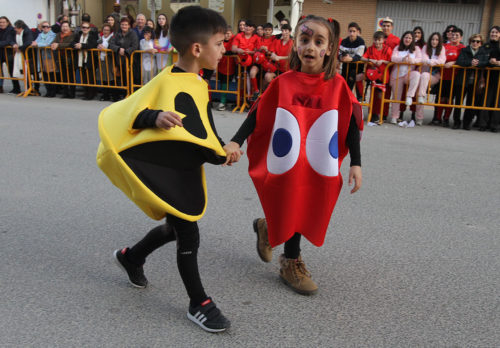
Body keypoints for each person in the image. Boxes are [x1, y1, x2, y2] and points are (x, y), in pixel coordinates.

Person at [99, 5, 234, 333]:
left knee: (177, 226)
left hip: (181, 169)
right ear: (198, 48)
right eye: (219, 43)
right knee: (188, 229)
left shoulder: (198, 83)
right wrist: (155, 117)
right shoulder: (169, 81)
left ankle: (131, 258)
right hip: (162, 168)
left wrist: (222, 148)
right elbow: (132, 112)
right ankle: (199, 303)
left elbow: (205, 128)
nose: (224, 49)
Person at [223, 15, 363, 296]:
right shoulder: (283, 82)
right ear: (296, 45)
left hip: (317, 161)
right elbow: (258, 114)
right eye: (305, 40)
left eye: (318, 41)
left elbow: (349, 125)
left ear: (330, 48)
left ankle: (268, 227)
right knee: (293, 200)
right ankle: (291, 260)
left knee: (310, 200)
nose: (311, 47)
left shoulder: (337, 86)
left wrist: (356, 164)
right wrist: (236, 141)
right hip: (288, 160)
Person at [452, 33, 488, 130]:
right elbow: (460, 61)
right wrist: (470, 63)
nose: (475, 43)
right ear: (470, 42)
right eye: (473, 41)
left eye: (478, 41)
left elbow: (486, 62)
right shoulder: (464, 50)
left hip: (475, 82)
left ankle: (467, 123)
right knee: (458, 102)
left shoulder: (483, 52)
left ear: (481, 43)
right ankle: (456, 122)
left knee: (470, 103)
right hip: (462, 80)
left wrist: (478, 63)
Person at [389, 31, 421, 125]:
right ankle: (394, 116)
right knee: (396, 97)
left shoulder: (416, 49)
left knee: (417, 75)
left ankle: (409, 96)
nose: (407, 39)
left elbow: (420, 59)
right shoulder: (397, 48)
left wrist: (412, 60)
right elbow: (393, 58)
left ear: (412, 40)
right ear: (403, 38)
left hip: (408, 74)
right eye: (406, 37)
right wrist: (402, 59)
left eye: (410, 38)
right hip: (397, 75)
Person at [435, 27, 465, 127]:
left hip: (454, 78)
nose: (454, 37)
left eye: (457, 36)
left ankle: (446, 118)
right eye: (453, 35)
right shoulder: (444, 46)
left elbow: (463, 60)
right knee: (441, 98)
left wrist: (454, 62)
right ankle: (438, 118)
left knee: (449, 99)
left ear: (461, 37)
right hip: (442, 76)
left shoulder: (462, 48)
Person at [361, 31, 392, 122]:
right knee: (373, 95)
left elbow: (391, 61)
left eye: (379, 40)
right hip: (372, 76)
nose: (377, 42)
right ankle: (372, 114)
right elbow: (362, 58)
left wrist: (382, 61)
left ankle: (379, 114)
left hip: (383, 76)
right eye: (375, 40)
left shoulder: (387, 49)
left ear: (383, 40)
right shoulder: (370, 49)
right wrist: (371, 60)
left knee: (380, 96)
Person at [416, 32, 446, 125]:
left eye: (436, 40)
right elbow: (423, 59)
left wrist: (431, 62)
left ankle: (422, 96)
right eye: (433, 39)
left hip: (434, 75)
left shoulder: (442, 48)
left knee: (425, 77)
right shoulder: (425, 47)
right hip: (422, 74)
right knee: (419, 94)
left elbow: (442, 60)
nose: (434, 41)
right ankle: (419, 118)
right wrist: (432, 61)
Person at [109, 17, 139, 100]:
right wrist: (118, 49)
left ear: (129, 25)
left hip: (130, 60)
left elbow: (135, 46)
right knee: (121, 78)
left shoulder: (133, 34)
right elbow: (111, 44)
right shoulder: (117, 33)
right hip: (119, 60)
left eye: (126, 25)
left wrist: (126, 51)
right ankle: (123, 94)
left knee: (129, 78)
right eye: (122, 24)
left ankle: (130, 95)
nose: (124, 26)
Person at [478, 26, 500, 132]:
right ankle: (483, 123)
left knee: (497, 102)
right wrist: (489, 62)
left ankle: (494, 125)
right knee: (486, 100)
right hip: (488, 78)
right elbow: (480, 59)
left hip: (499, 79)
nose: (494, 34)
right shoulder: (485, 46)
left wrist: (498, 63)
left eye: (496, 32)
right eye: (492, 32)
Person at [231, 20, 259, 99]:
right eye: (246, 26)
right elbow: (233, 48)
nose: (247, 28)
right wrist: (238, 50)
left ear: (253, 29)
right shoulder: (239, 36)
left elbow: (258, 51)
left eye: (250, 26)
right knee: (241, 82)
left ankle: (253, 96)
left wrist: (250, 52)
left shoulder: (256, 37)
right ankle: (240, 100)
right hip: (240, 62)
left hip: (252, 62)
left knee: (251, 77)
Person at [71, 20, 98, 100]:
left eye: (87, 27)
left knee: (90, 77)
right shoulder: (78, 35)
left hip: (90, 60)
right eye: (83, 27)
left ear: (89, 29)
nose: (85, 29)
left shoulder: (93, 36)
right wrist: (76, 45)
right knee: (84, 77)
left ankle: (91, 94)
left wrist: (82, 46)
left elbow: (92, 44)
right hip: (80, 59)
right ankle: (86, 93)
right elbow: (72, 43)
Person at [339, 22, 365, 97]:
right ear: (348, 31)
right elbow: (339, 53)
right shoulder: (344, 41)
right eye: (350, 31)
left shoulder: (361, 41)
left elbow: (359, 55)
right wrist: (341, 58)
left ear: (357, 32)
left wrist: (350, 59)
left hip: (357, 67)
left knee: (353, 86)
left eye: (354, 31)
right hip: (346, 66)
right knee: (344, 85)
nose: (352, 33)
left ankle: (359, 100)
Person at [31, 20, 56, 97]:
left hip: (49, 57)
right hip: (41, 57)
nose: (45, 28)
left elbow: (48, 43)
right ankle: (48, 91)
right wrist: (37, 44)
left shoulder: (53, 35)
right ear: (41, 28)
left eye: (47, 26)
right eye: (43, 26)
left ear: (50, 27)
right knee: (44, 74)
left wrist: (38, 44)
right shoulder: (40, 35)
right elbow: (35, 42)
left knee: (50, 74)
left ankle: (52, 91)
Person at [51, 21, 75, 98]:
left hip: (69, 57)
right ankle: (65, 92)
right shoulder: (58, 35)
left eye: (66, 26)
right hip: (60, 57)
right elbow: (54, 42)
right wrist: (54, 44)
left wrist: (59, 45)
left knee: (70, 76)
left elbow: (69, 44)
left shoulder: (73, 35)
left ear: (69, 27)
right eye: (63, 26)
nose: (64, 28)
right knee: (63, 75)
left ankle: (72, 93)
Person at [11, 20, 33, 95]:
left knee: (28, 71)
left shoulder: (27, 32)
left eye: (16, 28)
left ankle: (31, 88)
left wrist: (20, 48)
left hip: (27, 54)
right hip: (19, 54)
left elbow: (28, 42)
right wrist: (14, 44)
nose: (15, 30)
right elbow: (11, 40)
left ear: (20, 28)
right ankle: (26, 88)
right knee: (23, 71)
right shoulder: (16, 33)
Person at [217, 25, 235, 111]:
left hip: (231, 66)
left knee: (226, 83)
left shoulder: (234, 40)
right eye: (225, 34)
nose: (227, 35)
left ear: (231, 33)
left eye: (228, 33)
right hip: (221, 65)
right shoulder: (220, 41)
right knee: (222, 83)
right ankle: (222, 102)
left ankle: (223, 102)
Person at [96, 23, 115, 101]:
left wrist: (105, 49)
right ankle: (105, 95)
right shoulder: (100, 38)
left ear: (110, 31)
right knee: (103, 78)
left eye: (107, 30)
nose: (106, 31)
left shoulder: (112, 38)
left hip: (110, 60)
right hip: (102, 60)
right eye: (104, 30)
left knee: (111, 78)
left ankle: (113, 95)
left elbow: (113, 49)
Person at [0, 16, 16, 94]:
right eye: (0, 22)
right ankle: (0, 87)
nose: (2, 24)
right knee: (0, 71)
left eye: (3, 22)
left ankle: (16, 88)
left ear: (7, 22)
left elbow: (8, 41)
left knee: (11, 71)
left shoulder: (11, 30)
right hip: (1, 52)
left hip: (9, 53)